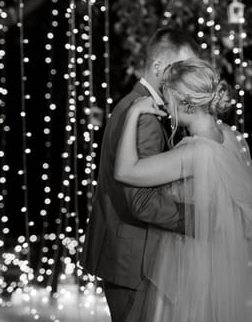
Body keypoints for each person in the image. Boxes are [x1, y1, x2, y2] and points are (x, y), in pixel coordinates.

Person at [114, 58, 252, 321]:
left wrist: (134, 113)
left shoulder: (196, 153)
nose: (164, 105)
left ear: (184, 103)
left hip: (190, 268)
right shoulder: (232, 138)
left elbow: (125, 171)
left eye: (167, 98)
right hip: (221, 267)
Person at [80, 27, 200, 321]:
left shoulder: (136, 105)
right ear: (159, 67)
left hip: (127, 256)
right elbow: (141, 201)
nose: (187, 76)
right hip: (135, 261)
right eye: (182, 67)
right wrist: (201, 219)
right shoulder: (145, 114)